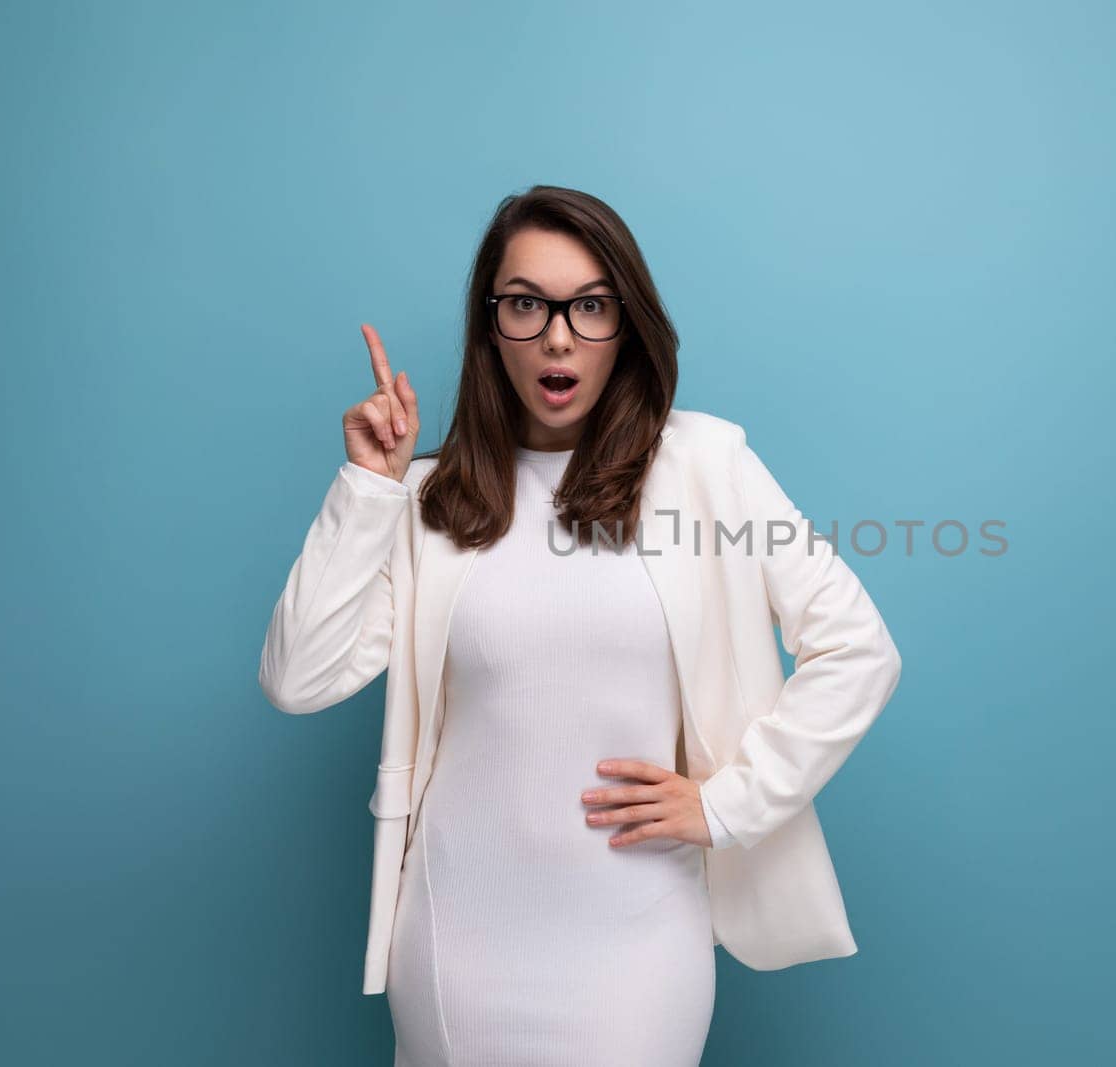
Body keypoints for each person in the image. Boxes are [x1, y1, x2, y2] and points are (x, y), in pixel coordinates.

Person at [258, 185, 902, 1066]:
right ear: (492, 326)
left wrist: (728, 803)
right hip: (457, 939)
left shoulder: (705, 469)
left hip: (638, 943)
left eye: (590, 306)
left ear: (624, 326)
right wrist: (369, 487)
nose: (557, 335)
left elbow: (860, 649)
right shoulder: (428, 500)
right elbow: (298, 678)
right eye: (526, 304)